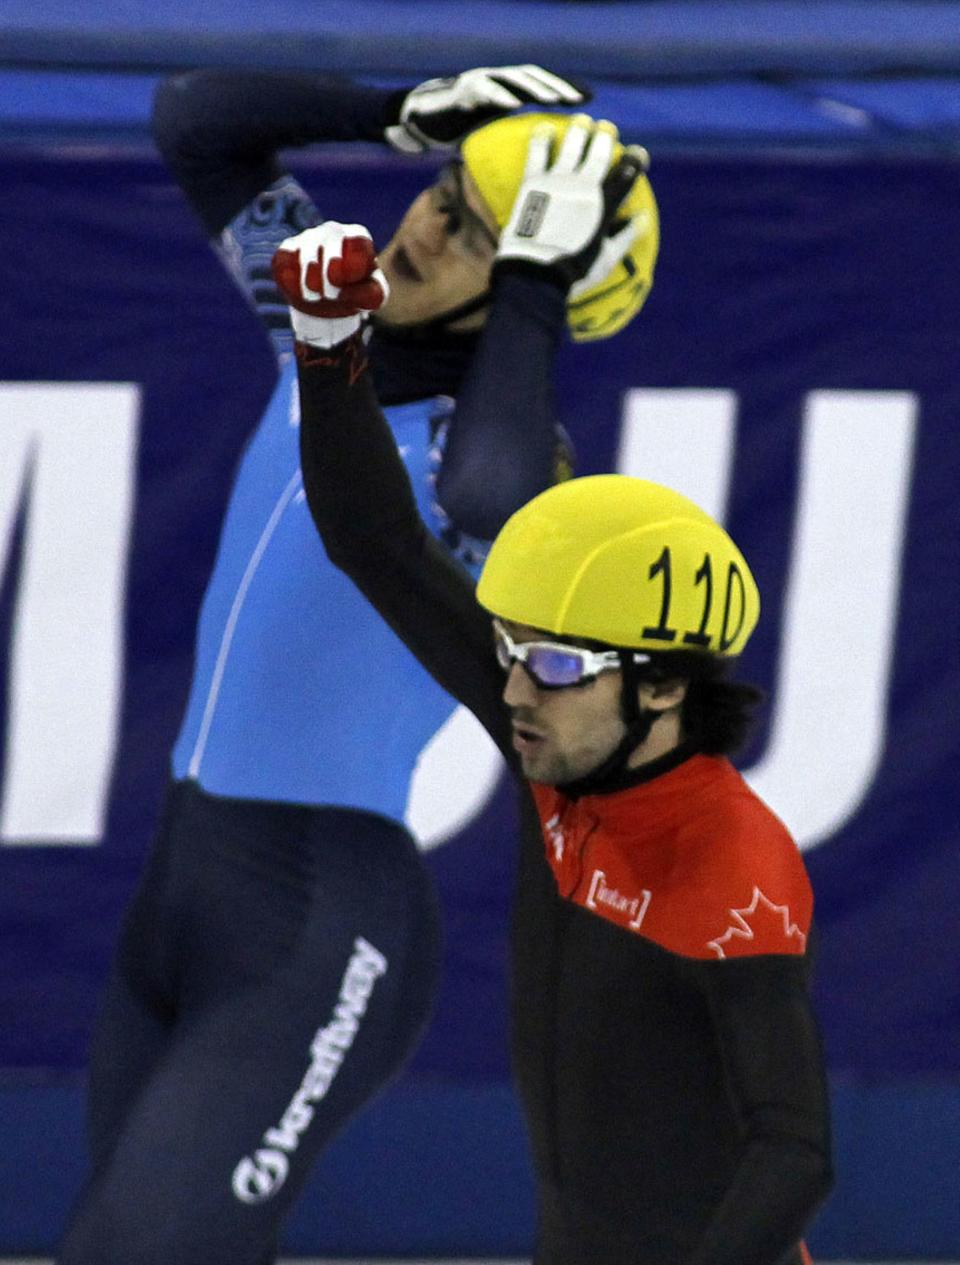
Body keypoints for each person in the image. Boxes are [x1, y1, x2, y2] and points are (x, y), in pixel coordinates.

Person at [57, 66, 658, 1265]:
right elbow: (196, 120)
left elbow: (483, 490)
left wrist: (535, 277)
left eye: (482, 231)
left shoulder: (506, 459)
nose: (428, 224)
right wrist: (395, 106)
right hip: (183, 893)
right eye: (442, 192)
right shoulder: (318, 336)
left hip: (317, 929)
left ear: (541, 292)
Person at [271, 200, 834, 1264]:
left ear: (663, 688)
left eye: (560, 663)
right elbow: (375, 541)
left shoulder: (731, 862)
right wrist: (332, 342)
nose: (517, 688)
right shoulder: (565, 754)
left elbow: (794, 1151)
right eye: (517, 648)